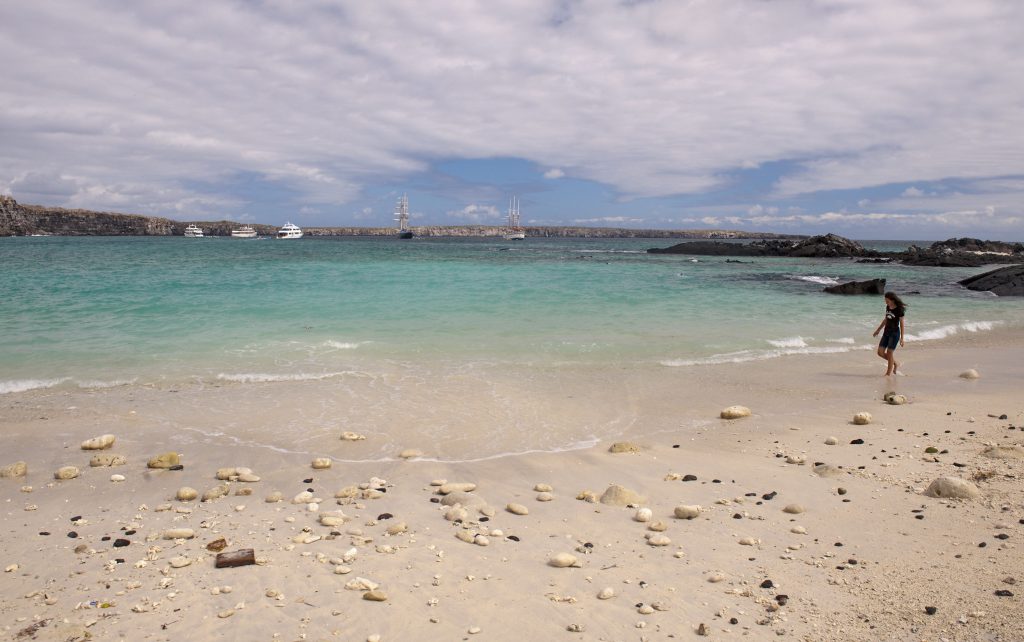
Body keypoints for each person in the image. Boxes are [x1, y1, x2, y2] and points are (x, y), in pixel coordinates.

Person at [872, 291, 907, 376]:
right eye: (885, 300)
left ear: (893, 300)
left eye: (887, 300)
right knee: (880, 352)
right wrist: (878, 330)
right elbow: (886, 319)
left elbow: (902, 324)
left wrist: (902, 338)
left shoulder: (899, 309)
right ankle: (895, 363)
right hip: (886, 332)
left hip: (894, 334)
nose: (886, 302)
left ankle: (888, 374)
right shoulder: (888, 307)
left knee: (889, 353)